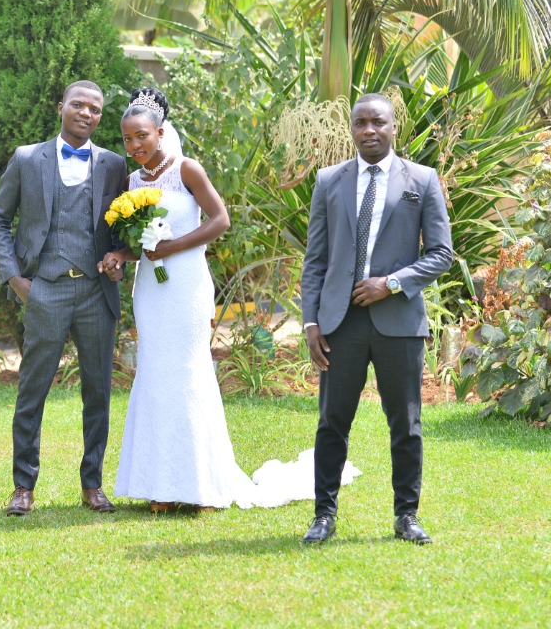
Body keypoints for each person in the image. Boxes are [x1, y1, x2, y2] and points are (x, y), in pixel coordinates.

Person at [106, 87, 360, 511]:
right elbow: (140, 244)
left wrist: (174, 246)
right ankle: (161, 486)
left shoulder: (186, 169)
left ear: (161, 132)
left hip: (185, 285)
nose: (134, 146)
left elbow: (220, 219)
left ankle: (202, 486)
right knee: (154, 374)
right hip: (151, 289)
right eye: (127, 139)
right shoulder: (131, 183)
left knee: (188, 373)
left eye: (142, 136)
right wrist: (121, 255)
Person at [300, 93, 453, 545]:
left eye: (378, 122)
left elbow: (441, 254)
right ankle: (323, 516)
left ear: (393, 127)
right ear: (351, 128)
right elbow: (315, 259)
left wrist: (391, 283)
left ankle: (407, 515)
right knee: (332, 422)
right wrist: (311, 322)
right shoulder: (329, 180)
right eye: (361, 122)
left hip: (399, 322)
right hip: (340, 323)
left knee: (405, 424)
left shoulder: (421, 180)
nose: (369, 130)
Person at [0, 80, 128, 516]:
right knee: (32, 390)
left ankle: (93, 484)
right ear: (61, 106)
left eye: (95, 109)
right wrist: (15, 278)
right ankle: (23, 486)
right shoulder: (28, 158)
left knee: (98, 391)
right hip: (44, 289)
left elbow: (124, 230)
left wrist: (120, 258)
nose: (87, 113)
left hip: (95, 292)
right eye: (78, 105)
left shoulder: (114, 164)